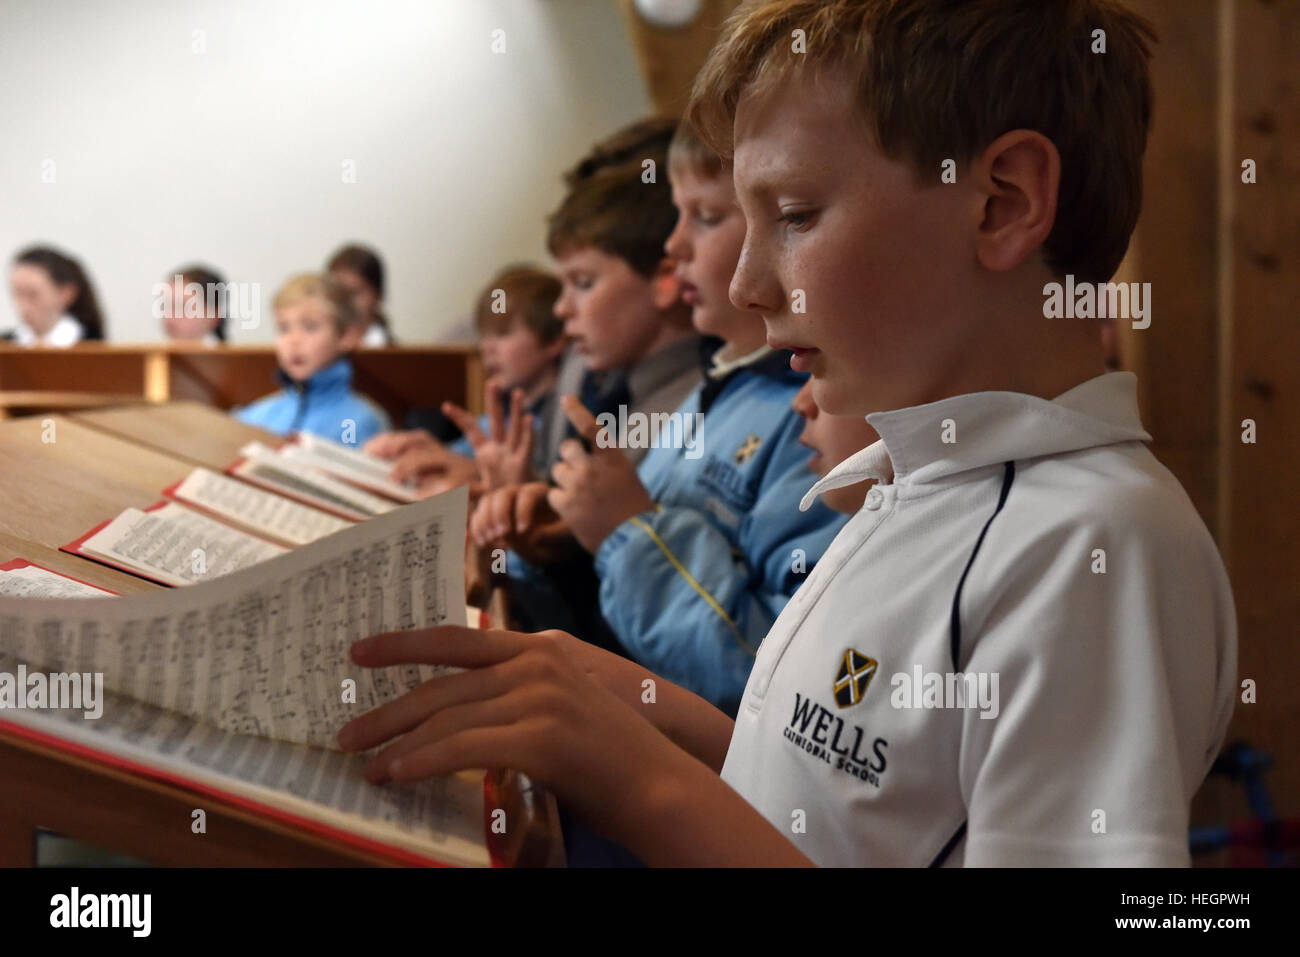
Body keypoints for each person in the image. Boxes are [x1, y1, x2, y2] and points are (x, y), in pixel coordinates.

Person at [340, 0, 1237, 868]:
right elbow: (846, 808)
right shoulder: (918, 479)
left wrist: (640, 783)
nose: (743, 284)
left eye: (796, 214)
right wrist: (634, 705)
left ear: (1000, 201)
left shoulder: (1098, 544)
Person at [469, 121, 847, 714]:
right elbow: (623, 608)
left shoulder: (819, 418)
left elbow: (775, 684)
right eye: (678, 215)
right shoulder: (721, 385)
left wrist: (626, 532)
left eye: (704, 217)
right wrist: (563, 544)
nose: (673, 248)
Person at [233, 273, 391, 445]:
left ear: (347, 336)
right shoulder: (253, 418)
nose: (294, 340)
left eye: (310, 327)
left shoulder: (358, 422)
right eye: (284, 328)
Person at [5, 246, 105, 345]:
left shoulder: (93, 349)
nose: (23, 306)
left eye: (33, 294)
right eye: (17, 294)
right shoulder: (5, 345)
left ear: (67, 294)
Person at [327, 244, 393, 347]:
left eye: (354, 293)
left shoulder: (394, 353)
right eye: (339, 292)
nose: (346, 302)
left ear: (378, 294)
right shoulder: (314, 353)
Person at [160, 265, 227, 344]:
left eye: (182, 307)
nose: (169, 316)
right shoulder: (156, 354)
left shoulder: (235, 355)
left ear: (214, 316)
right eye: (165, 306)